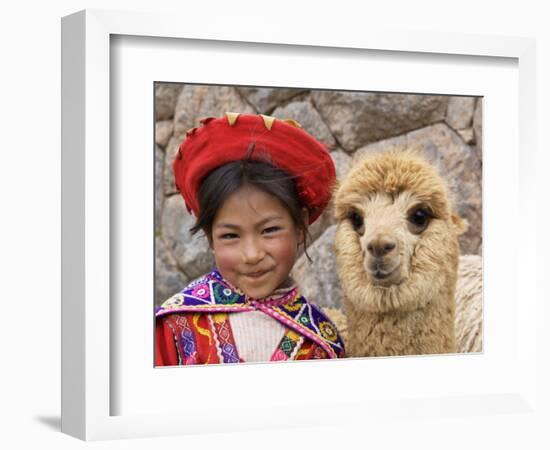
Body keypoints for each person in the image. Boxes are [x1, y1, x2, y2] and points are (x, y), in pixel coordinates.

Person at [155, 112, 345, 365]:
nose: (252, 254)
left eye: (269, 230)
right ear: (210, 238)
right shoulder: (174, 327)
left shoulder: (321, 343)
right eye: (230, 235)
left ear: (299, 227)